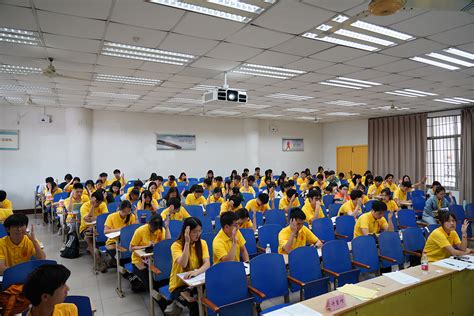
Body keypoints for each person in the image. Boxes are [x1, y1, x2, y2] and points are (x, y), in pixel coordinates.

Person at [169, 217, 210, 316]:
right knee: (194, 305)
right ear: (187, 232)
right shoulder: (176, 246)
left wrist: (197, 272)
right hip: (179, 286)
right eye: (195, 232)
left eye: (200, 231)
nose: (198, 234)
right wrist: (187, 242)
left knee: (210, 299)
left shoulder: (202, 243)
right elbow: (183, 263)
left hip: (196, 282)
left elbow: (207, 264)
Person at [130, 214, 170, 289]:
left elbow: (167, 242)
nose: (154, 230)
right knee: (151, 285)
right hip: (140, 261)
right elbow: (131, 248)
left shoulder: (160, 230)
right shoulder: (140, 230)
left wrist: (167, 227)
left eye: (156, 228)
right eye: (152, 228)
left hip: (155, 260)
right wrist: (146, 246)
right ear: (149, 223)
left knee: (163, 280)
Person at [79, 191, 108, 270]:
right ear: (92, 199)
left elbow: (105, 218)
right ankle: (99, 262)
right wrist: (92, 205)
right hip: (85, 228)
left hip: (99, 227)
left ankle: (113, 259)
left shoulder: (102, 204)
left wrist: (93, 219)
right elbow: (88, 220)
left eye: (100, 202)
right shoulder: (84, 206)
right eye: (97, 202)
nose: (98, 204)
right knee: (88, 238)